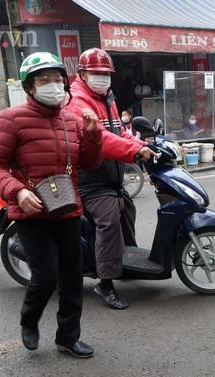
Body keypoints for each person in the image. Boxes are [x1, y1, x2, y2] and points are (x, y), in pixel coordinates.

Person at [0, 52, 104, 358]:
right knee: (46, 276)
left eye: (57, 79)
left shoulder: (72, 120)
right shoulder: (11, 119)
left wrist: (92, 135)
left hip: (66, 207)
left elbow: (89, 163)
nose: (54, 85)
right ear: (30, 87)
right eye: (44, 80)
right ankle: (29, 320)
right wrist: (17, 192)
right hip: (30, 211)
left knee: (72, 277)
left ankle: (67, 336)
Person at [66, 47, 155, 310]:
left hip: (110, 177)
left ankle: (122, 263)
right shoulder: (77, 103)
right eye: (96, 73)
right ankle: (105, 283)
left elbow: (119, 131)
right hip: (90, 180)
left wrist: (143, 143)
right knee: (108, 221)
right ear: (82, 74)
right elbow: (101, 141)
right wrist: (133, 150)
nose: (103, 78)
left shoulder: (107, 98)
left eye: (106, 73)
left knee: (126, 210)